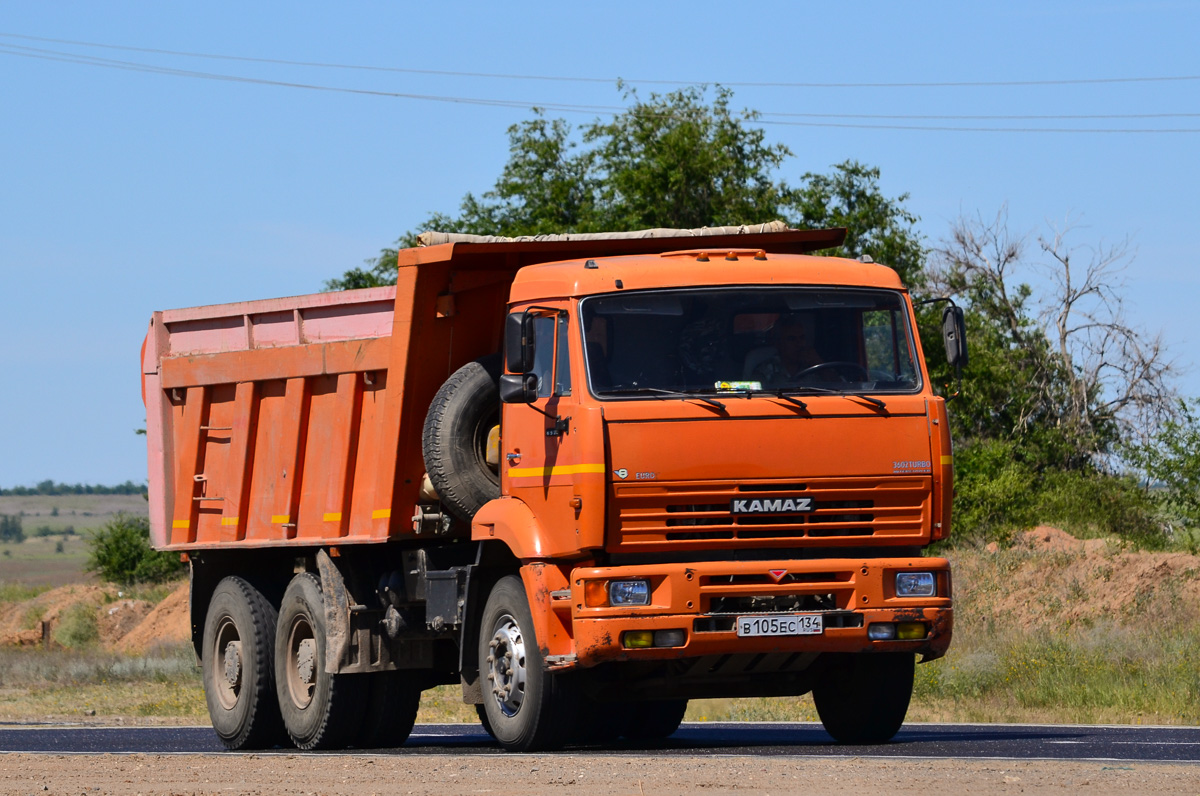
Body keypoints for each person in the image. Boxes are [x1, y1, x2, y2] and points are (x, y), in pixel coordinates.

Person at [750, 314, 823, 387]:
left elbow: (832, 387)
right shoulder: (766, 371)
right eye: (792, 339)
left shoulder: (813, 367)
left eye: (802, 338)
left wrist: (818, 364)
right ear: (778, 343)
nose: (799, 344)